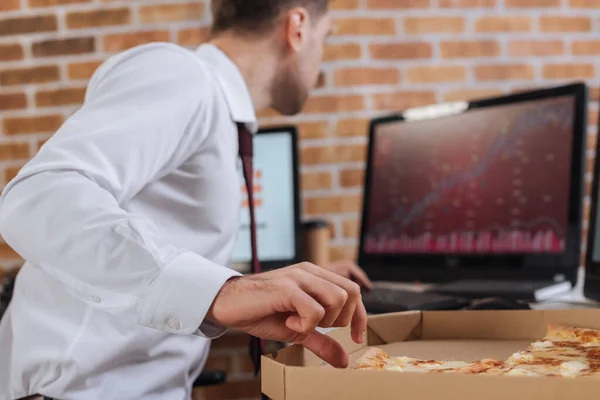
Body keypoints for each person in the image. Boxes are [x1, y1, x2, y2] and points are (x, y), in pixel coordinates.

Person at [0, 0, 373, 399]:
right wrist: (222, 292)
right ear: (297, 28)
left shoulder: (216, 113)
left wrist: (265, 286)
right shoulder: (183, 76)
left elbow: (162, 240)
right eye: (325, 38)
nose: (321, 61)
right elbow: (38, 198)